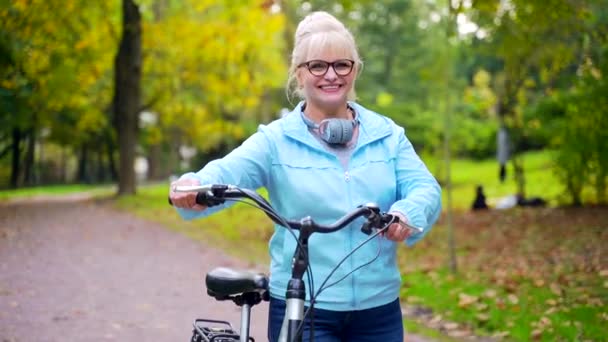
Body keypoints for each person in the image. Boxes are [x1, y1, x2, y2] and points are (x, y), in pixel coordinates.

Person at [169, 11, 442, 342]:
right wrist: (191, 187)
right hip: (304, 306)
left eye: (342, 64)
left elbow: (425, 188)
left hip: (378, 309)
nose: (331, 75)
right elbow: (225, 172)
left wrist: (406, 214)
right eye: (317, 66)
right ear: (299, 75)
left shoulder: (387, 134)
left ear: (354, 71)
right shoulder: (275, 140)